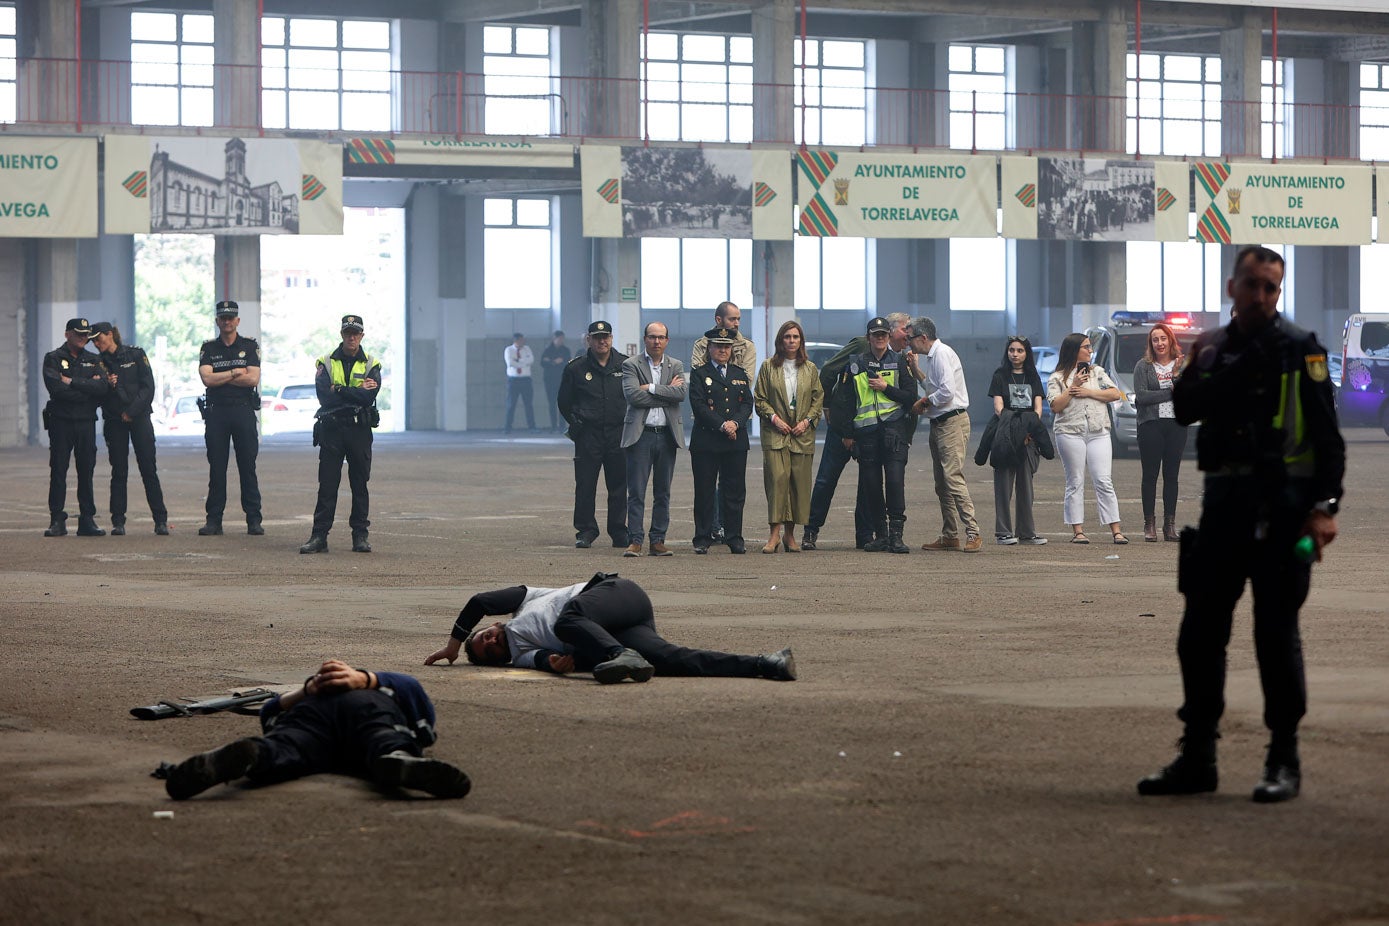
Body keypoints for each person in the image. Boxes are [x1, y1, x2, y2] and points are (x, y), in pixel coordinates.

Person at [1138, 246, 1344, 804]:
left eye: (1270, 288)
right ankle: (1197, 755)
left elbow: (1328, 437)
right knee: (1200, 636)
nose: (1260, 296)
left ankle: (1284, 758)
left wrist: (1325, 507)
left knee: (1276, 636)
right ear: (1232, 287)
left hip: (1283, 509)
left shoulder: (1303, 351)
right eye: (1251, 284)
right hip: (1224, 505)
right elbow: (1182, 409)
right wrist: (1227, 370)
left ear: (1279, 291)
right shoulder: (1210, 348)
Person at [161, 659, 470, 801]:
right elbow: (415, 696)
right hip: (360, 712)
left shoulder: (331, 691)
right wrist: (358, 681)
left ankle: (255, 754)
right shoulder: (379, 690)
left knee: (285, 745)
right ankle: (398, 760)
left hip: (315, 719)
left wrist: (310, 690)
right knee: (384, 739)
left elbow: (270, 712)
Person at [424, 573, 796, 683]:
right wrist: (557, 665)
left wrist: (455, 645)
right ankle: (766, 664)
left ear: (493, 625)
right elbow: (545, 661)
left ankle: (621, 656)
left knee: (567, 619)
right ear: (500, 660)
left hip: (618, 595)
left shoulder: (524, 602)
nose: (490, 639)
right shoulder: (520, 656)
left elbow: (479, 601)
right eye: (489, 648)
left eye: (485, 634)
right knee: (672, 660)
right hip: (619, 632)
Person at [803, 312, 911, 551]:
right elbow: (829, 370)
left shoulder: (898, 359)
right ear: (892, 331)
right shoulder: (863, 347)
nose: (910, 334)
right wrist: (829, 407)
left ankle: (865, 536)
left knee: (868, 484)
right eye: (906, 329)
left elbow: (908, 399)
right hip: (844, 428)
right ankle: (811, 531)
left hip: (872, 432)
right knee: (826, 480)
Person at [299, 314, 382, 555]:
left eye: (356, 333)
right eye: (348, 333)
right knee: (327, 485)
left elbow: (368, 397)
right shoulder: (325, 362)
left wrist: (340, 389)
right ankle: (319, 536)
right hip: (332, 430)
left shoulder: (371, 364)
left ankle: (360, 536)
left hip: (359, 430)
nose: (352, 337)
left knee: (359, 484)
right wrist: (354, 390)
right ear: (342, 334)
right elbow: (325, 397)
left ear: (362, 335)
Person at [908, 317, 982, 553]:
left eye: (911, 338)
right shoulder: (934, 356)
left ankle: (973, 532)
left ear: (922, 338)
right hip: (939, 424)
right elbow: (933, 385)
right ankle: (950, 534)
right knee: (942, 483)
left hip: (951, 423)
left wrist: (923, 403)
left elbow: (946, 392)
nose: (909, 342)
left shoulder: (941, 354)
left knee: (952, 478)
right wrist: (914, 370)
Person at [1046, 332, 1127, 544]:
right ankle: (1078, 531)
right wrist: (1073, 387)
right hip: (1069, 432)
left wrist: (1089, 393)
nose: (1090, 351)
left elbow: (1115, 394)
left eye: (1090, 347)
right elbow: (1056, 406)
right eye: (1086, 347)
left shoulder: (1097, 372)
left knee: (1103, 480)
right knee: (1075, 481)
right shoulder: (1057, 377)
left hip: (1098, 431)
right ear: (1074, 350)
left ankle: (1116, 530)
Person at [91, 322, 168, 536]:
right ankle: (118, 521)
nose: (96, 344)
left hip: (139, 418)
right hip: (114, 421)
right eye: (93, 341)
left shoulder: (135, 355)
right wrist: (106, 384)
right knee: (119, 471)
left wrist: (131, 412)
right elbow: (95, 395)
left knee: (148, 469)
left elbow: (148, 387)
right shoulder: (98, 363)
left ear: (110, 334)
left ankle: (160, 520)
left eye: (99, 339)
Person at [753, 319, 823, 554]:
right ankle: (773, 535)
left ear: (801, 341)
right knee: (777, 482)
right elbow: (760, 399)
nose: (791, 341)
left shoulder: (810, 369)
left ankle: (790, 536)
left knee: (797, 485)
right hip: (775, 435)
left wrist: (807, 422)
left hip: (802, 436)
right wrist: (775, 419)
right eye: (787, 337)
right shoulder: (768, 367)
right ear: (780, 341)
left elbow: (817, 400)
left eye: (795, 337)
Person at [558, 321, 629, 549]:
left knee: (618, 486)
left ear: (611, 338)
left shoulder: (625, 365)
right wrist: (576, 424)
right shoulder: (575, 368)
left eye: (605, 336)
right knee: (586, 485)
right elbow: (563, 402)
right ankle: (586, 530)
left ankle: (619, 531)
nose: (602, 341)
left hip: (618, 434)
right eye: (597, 337)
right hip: (588, 435)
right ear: (589, 339)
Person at [690, 301, 757, 544]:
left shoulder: (740, 371)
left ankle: (734, 537)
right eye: (718, 346)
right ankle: (703, 537)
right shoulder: (700, 372)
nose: (723, 349)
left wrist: (734, 424)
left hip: (735, 437)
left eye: (726, 346)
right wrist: (721, 424)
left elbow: (746, 401)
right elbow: (698, 403)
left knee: (735, 492)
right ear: (709, 347)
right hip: (708, 436)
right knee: (705, 492)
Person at [620, 321, 687, 557]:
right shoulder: (630, 365)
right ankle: (635, 540)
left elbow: (680, 394)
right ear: (644, 339)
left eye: (661, 337)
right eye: (652, 337)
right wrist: (664, 392)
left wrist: (649, 387)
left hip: (667, 437)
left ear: (667, 340)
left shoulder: (676, 365)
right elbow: (633, 396)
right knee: (636, 491)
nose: (656, 341)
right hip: (641, 436)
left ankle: (658, 540)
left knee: (663, 492)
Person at [197, 300, 263, 536]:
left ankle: (254, 520)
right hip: (217, 412)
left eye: (230, 318)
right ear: (217, 321)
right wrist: (236, 372)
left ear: (237, 321)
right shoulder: (209, 348)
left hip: (243, 410)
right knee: (217, 468)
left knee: (248, 467)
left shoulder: (249, 346)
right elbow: (207, 380)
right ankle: (214, 521)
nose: (226, 321)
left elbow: (253, 379)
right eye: (222, 318)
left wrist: (221, 376)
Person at [41, 317, 108, 537]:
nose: (83, 338)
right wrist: (87, 390)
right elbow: (56, 390)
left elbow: (103, 388)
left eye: (86, 334)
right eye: (79, 334)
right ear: (67, 334)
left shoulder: (93, 358)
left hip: (86, 423)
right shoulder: (53, 358)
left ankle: (87, 520)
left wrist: (72, 382)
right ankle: (57, 520)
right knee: (59, 470)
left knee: (86, 471)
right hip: (61, 421)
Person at [984, 336, 1047, 545]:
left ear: (1026, 353)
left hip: (1029, 438)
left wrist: (1029, 430)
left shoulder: (1032, 376)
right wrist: (1013, 430)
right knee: (1003, 487)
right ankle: (1003, 532)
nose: (1015, 354)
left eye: (1019, 350)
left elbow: (1038, 409)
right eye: (1011, 350)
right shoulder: (1000, 375)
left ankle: (1027, 533)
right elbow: (998, 407)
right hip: (1005, 436)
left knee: (1026, 487)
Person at [1133, 323, 1188, 542]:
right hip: (1150, 424)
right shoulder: (1143, 366)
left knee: (1172, 476)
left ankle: (1170, 525)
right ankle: (1149, 524)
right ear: (1151, 343)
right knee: (1150, 475)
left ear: (1171, 340)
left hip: (1176, 425)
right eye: (1155, 340)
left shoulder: (1182, 365)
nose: (1160, 343)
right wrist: (1169, 392)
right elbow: (1142, 397)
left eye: (1163, 338)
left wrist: (1175, 378)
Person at [503, 332, 537, 433]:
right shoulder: (509, 350)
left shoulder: (527, 349)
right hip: (513, 380)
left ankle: (532, 427)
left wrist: (518, 361)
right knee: (511, 404)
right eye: (521, 340)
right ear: (516, 340)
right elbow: (510, 363)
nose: (523, 341)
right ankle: (507, 427)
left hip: (526, 380)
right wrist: (523, 362)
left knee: (528, 404)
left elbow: (531, 360)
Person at [540, 329, 571, 432]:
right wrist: (555, 362)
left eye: (563, 339)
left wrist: (553, 361)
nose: (561, 341)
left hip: (562, 380)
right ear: (555, 338)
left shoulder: (565, 350)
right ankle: (553, 426)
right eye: (560, 339)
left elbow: (568, 362)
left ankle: (562, 426)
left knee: (562, 403)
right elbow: (543, 362)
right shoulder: (548, 349)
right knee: (552, 403)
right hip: (549, 381)